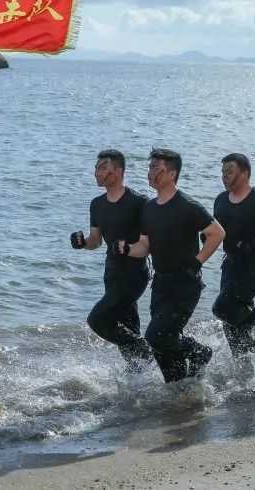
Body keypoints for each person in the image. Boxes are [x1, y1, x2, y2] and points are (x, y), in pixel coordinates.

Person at [119, 148, 225, 382]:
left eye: (157, 168)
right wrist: (128, 249)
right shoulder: (149, 208)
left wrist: (197, 261)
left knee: (156, 335)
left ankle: (201, 352)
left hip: (185, 283)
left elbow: (217, 233)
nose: (151, 172)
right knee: (163, 347)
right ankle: (178, 389)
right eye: (150, 167)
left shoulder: (187, 205)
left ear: (171, 174)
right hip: (160, 283)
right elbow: (144, 246)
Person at [71, 150, 151, 365]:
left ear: (118, 171)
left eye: (102, 167)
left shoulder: (139, 202)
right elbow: (95, 240)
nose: (96, 172)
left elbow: (147, 245)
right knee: (128, 327)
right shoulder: (97, 204)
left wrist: (128, 248)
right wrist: (82, 243)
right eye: (96, 168)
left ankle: (149, 354)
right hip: (111, 274)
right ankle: (139, 377)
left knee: (98, 320)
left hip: (134, 275)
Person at [211, 153, 255, 355]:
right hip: (230, 263)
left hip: (254, 265)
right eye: (223, 172)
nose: (224, 176)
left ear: (245, 174)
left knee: (223, 308)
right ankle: (244, 364)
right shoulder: (221, 199)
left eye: (230, 171)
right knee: (231, 322)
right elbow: (216, 227)